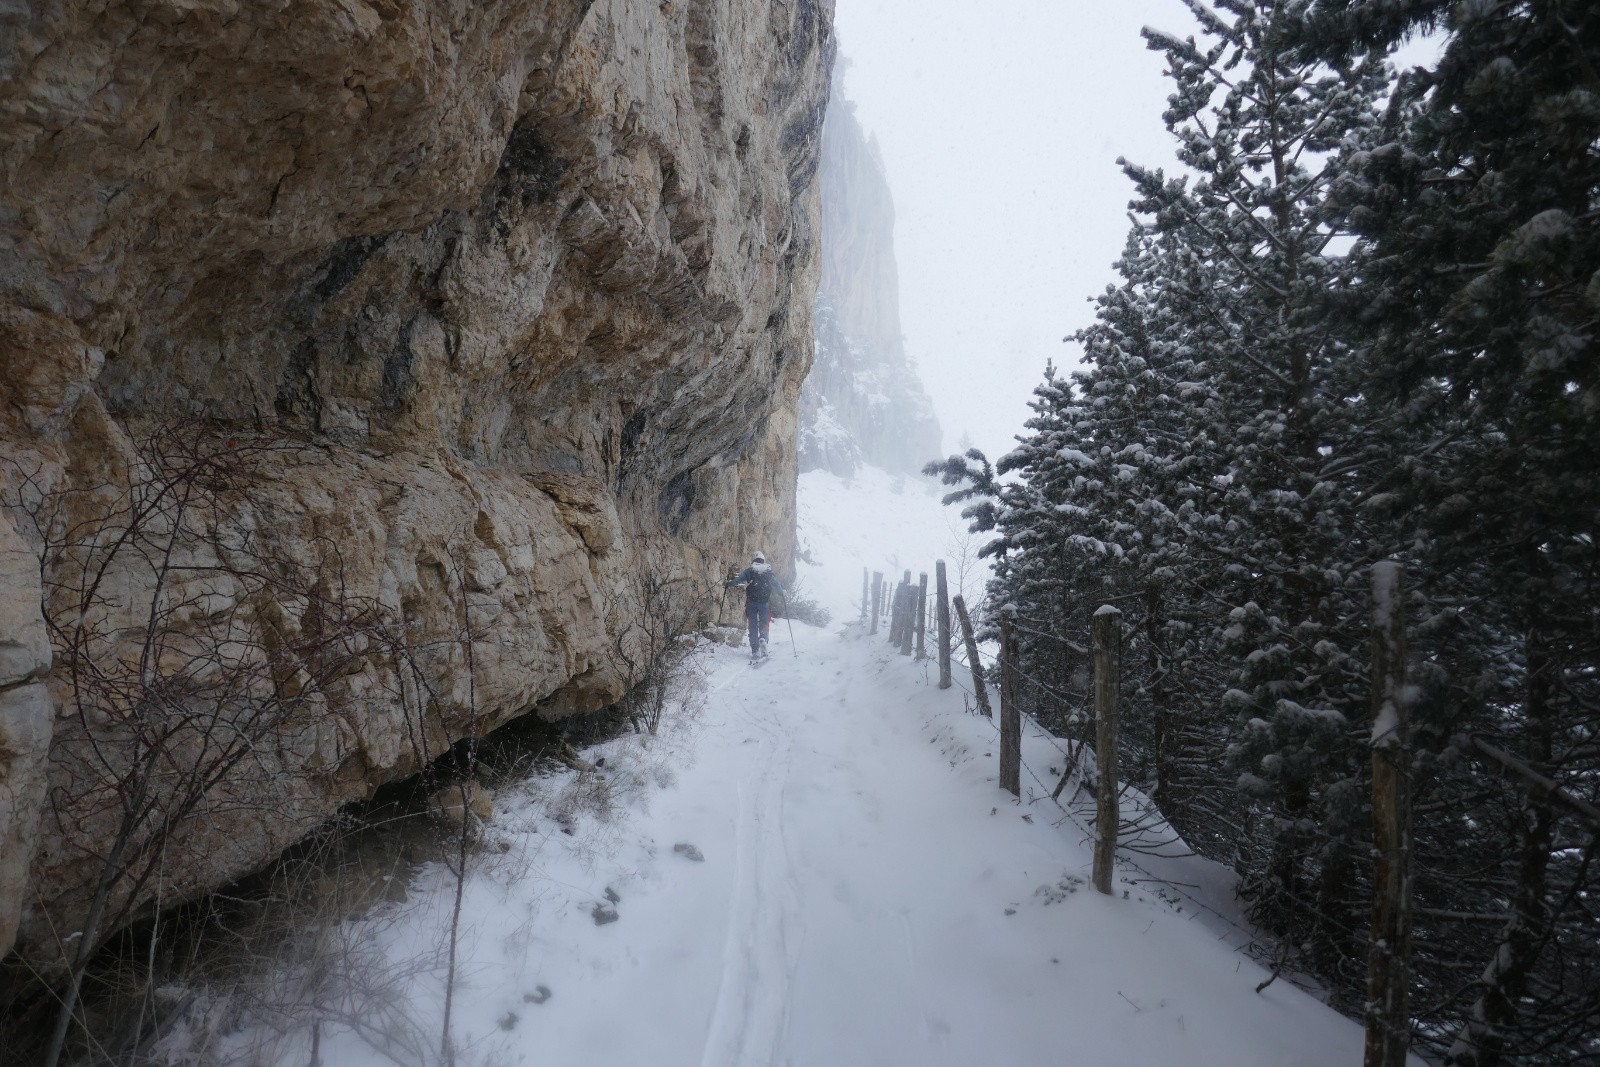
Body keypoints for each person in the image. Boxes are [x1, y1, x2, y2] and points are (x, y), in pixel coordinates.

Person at [726, 551, 784, 658]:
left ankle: (755, 650)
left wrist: (729, 584)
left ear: (753, 560)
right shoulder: (768, 571)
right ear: (763, 560)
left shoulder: (750, 570)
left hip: (751, 602)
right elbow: (776, 584)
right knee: (764, 622)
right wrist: (782, 593)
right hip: (764, 603)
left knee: (752, 625)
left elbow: (738, 580)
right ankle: (763, 638)